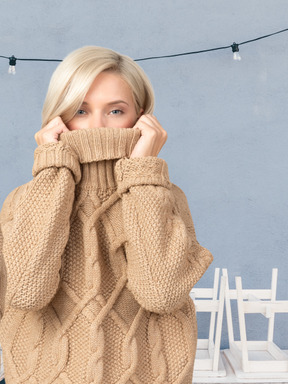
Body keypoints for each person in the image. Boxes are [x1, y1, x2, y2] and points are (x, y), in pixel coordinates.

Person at [0, 46, 213, 384]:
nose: (96, 126)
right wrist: (53, 169)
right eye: (80, 111)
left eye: (115, 111)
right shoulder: (24, 201)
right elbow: (28, 292)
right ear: (58, 118)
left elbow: (161, 294)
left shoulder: (161, 196)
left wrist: (143, 173)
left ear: (141, 117)